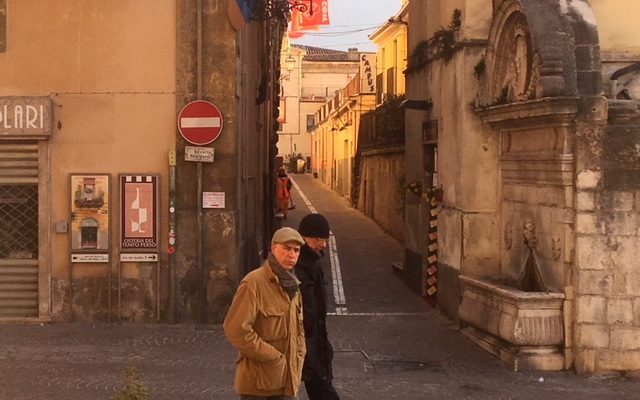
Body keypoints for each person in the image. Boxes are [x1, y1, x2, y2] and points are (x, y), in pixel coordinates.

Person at [223, 227, 307, 400]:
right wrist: (272, 357)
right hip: (259, 385)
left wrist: (300, 353)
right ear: (273, 248)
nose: (292, 255)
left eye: (296, 250)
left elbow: (297, 329)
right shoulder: (253, 283)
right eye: (286, 248)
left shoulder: (293, 286)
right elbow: (235, 329)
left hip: (288, 382)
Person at [295, 214, 341, 400]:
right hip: (303, 345)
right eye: (319, 239)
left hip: (315, 345)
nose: (324, 245)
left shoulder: (314, 263)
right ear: (304, 237)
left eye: (326, 240)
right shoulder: (296, 266)